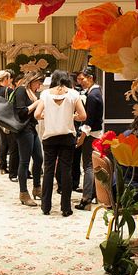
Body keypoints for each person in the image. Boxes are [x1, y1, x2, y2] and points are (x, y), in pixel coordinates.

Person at [35, 70, 86, 216]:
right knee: (66, 172)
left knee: (49, 171)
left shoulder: (45, 94)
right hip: (67, 137)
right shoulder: (73, 94)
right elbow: (83, 115)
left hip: (49, 137)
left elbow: (37, 114)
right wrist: (72, 116)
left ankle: (46, 206)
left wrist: (49, 116)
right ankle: (65, 208)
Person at [75, 67, 104, 210]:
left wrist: (82, 137)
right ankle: (92, 195)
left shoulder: (93, 95)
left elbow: (89, 120)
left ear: (91, 77)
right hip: (96, 134)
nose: (80, 82)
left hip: (91, 135)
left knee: (88, 166)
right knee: (91, 166)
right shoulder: (96, 92)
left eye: (82, 79)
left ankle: (86, 199)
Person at [14, 70, 43, 207]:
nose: (39, 86)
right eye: (38, 82)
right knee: (24, 161)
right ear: (31, 81)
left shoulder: (32, 93)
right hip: (23, 130)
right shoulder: (21, 90)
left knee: (39, 158)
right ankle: (23, 193)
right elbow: (21, 112)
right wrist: (36, 104)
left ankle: (37, 188)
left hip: (31, 128)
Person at [0, 70, 12, 174]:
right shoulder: (7, 90)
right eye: (9, 78)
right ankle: (4, 166)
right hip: (6, 118)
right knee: (7, 143)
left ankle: (2, 166)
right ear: (6, 79)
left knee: (2, 142)